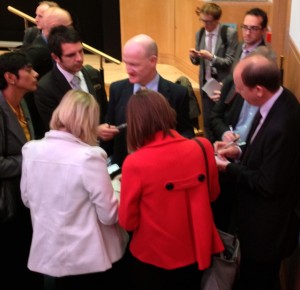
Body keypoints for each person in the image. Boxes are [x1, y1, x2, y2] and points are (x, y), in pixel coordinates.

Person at [21, 89, 128, 290]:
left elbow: (27, 199)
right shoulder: (89, 157)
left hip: (50, 253)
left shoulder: (31, 150)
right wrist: (117, 186)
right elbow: (109, 215)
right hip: (89, 259)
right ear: (89, 121)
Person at [118, 89, 224, 290]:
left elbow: (128, 222)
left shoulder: (134, 163)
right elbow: (213, 194)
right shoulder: (203, 147)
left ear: (135, 122)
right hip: (197, 252)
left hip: (152, 257)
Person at [214, 50, 300, 290]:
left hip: (267, 231)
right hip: (260, 222)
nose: (238, 93)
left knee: (257, 280)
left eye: (241, 89)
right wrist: (239, 152)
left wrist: (229, 168)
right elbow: (267, 155)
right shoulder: (282, 99)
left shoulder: (282, 124)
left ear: (259, 90)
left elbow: (267, 183)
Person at [208, 8, 269, 231]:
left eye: (253, 28)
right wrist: (225, 133)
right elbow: (216, 116)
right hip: (229, 152)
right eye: (245, 27)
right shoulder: (238, 67)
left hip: (248, 166)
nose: (247, 32)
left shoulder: (264, 66)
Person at [98, 34, 195, 167]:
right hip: (124, 170)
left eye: (134, 64)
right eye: (126, 63)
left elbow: (187, 132)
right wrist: (104, 133)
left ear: (152, 61)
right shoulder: (117, 89)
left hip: (163, 169)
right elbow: (110, 130)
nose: (128, 70)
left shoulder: (178, 93)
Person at [0, 51, 43, 288]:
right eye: (28, 69)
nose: (35, 74)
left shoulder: (22, 101)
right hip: (7, 205)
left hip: (25, 198)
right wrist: (31, 159)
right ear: (10, 77)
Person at [34, 25, 108, 137]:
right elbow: (56, 131)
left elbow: (104, 113)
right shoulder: (45, 88)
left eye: (81, 51)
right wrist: (94, 132)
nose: (79, 58)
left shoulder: (93, 75)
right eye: (71, 55)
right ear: (55, 57)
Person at [189, 2, 238, 142]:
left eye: (208, 21)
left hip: (222, 86)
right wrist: (193, 57)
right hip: (206, 85)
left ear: (217, 20)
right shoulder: (200, 33)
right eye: (202, 20)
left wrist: (211, 57)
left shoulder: (228, 33)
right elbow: (198, 62)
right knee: (207, 123)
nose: (205, 25)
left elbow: (230, 61)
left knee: (222, 122)